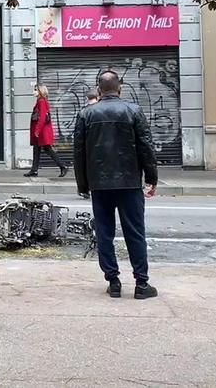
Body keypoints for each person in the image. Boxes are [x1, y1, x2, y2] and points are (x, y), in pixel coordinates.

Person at [74, 70, 159, 300]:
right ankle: (142, 283)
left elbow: (79, 152)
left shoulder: (86, 114)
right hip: (129, 182)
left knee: (104, 233)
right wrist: (152, 177)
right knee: (135, 233)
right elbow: (146, 147)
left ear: (99, 90)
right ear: (120, 88)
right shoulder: (133, 111)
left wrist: (83, 184)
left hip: (99, 184)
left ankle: (113, 281)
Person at [25, 84, 67, 178]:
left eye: (35, 90)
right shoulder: (40, 101)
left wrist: (37, 131)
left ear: (40, 91)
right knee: (36, 150)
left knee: (48, 150)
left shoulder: (41, 101)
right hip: (40, 131)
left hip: (42, 131)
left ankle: (63, 166)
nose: (34, 91)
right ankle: (34, 170)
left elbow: (43, 117)